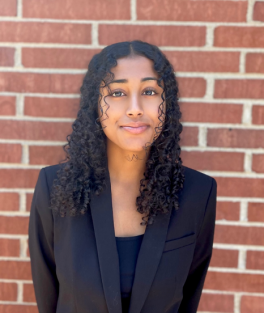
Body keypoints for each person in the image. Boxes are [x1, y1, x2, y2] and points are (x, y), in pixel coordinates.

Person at [28, 40, 217, 313]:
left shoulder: (199, 193)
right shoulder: (55, 187)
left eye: (150, 91)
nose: (135, 108)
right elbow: (48, 298)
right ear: (95, 104)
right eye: (117, 93)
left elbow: (189, 298)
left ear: (168, 103)